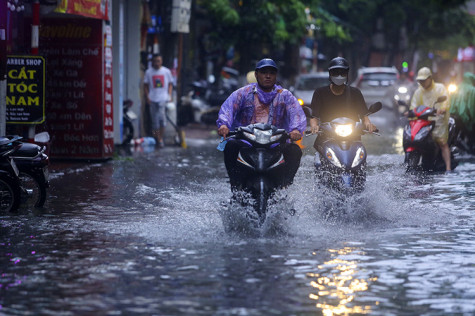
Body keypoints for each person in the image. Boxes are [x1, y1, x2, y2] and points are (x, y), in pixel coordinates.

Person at [216, 58, 306, 190]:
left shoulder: (285, 96)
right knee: (230, 146)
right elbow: (228, 109)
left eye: (271, 73)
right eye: (264, 72)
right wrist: (224, 125)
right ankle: (235, 185)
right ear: (256, 75)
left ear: (276, 76)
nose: (268, 76)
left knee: (294, 150)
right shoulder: (243, 93)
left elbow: (296, 113)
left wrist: (296, 130)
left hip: (275, 144)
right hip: (247, 143)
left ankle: (285, 186)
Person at [308, 57, 378, 150]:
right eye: (336, 72)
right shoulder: (320, 92)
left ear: (347, 74)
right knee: (319, 158)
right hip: (326, 136)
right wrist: (314, 126)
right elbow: (314, 117)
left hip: (352, 137)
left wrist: (369, 125)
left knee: (361, 156)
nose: (339, 76)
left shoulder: (355, 92)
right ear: (330, 74)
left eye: (342, 72)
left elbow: (364, 116)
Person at [410, 67, 452, 171]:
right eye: (420, 81)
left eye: (424, 80)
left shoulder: (440, 88)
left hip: (438, 120)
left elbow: (445, 101)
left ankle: (448, 167)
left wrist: (442, 109)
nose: (422, 83)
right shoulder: (418, 92)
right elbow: (413, 106)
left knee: (442, 143)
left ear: (430, 78)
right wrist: (411, 112)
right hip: (424, 121)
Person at [143, 54, 173, 148]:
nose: (156, 63)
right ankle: (156, 138)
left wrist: (169, 95)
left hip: (163, 98)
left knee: (162, 119)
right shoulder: (148, 72)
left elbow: (170, 84)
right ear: (152, 62)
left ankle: (160, 138)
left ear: (161, 61)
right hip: (152, 99)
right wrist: (147, 97)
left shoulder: (166, 71)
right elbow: (145, 85)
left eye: (158, 61)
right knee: (154, 121)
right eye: (155, 61)